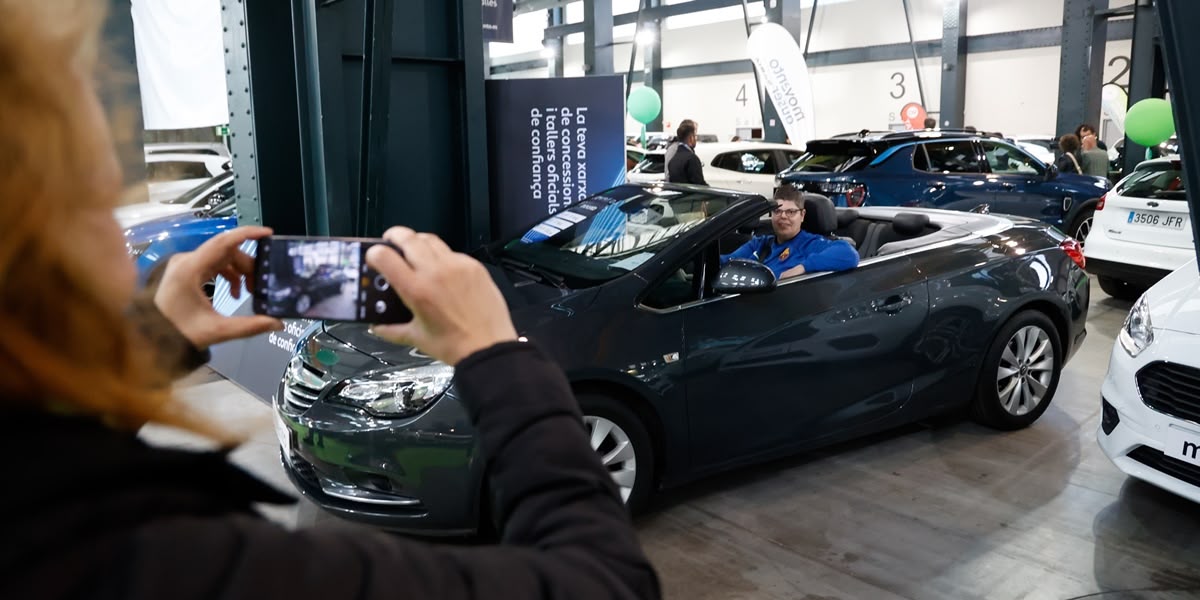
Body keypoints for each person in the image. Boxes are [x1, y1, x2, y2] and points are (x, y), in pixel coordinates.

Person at [0, 3, 660, 599]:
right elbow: (607, 582)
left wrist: (151, 342)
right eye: (97, 202)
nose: (128, 248)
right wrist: (497, 352)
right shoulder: (172, 561)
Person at [721, 186, 858, 279]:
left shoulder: (810, 245)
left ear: (802, 215)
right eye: (777, 211)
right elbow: (727, 262)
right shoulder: (759, 244)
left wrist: (803, 267)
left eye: (791, 212)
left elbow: (849, 254)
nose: (783, 216)